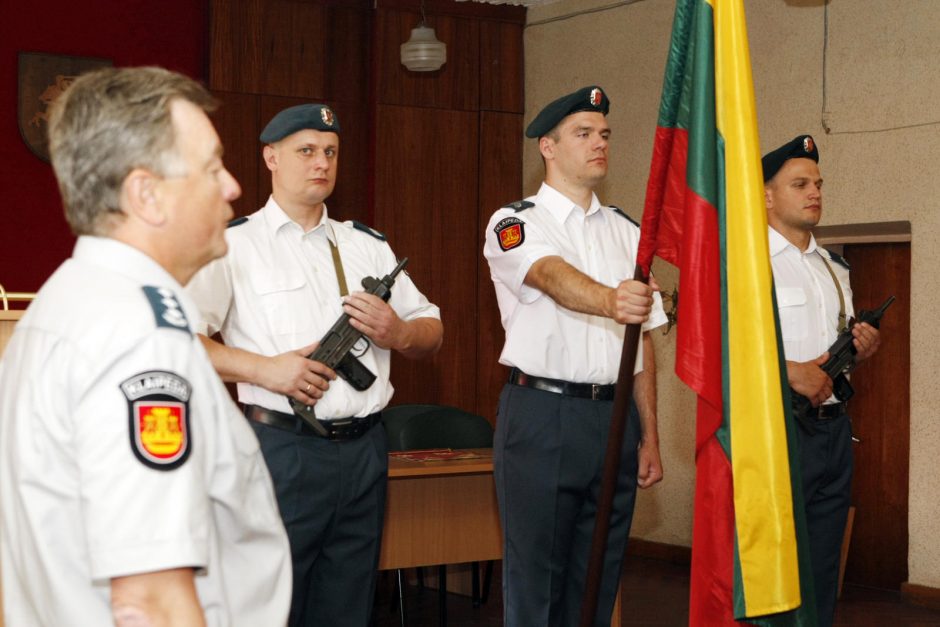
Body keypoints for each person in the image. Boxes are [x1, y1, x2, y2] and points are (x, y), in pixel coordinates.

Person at [0, 66, 292, 626]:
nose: (232, 185)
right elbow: (149, 599)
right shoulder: (138, 336)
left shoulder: (63, 304)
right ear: (147, 195)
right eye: (210, 168)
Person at [186, 103, 443, 627]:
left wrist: (400, 332)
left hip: (366, 449)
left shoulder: (367, 245)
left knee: (348, 605)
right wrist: (265, 370)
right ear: (270, 157)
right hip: (283, 449)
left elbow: (432, 329)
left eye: (330, 152)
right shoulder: (234, 245)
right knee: (271, 604)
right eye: (306, 151)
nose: (321, 162)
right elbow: (179, 341)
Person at [483, 85, 668, 627]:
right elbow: (551, 278)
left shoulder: (628, 232)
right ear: (548, 145)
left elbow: (644, 344)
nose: (599, 144)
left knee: (597, 578)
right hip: (543, 415)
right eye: (583, 134)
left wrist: (649, 433)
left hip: (614, 417)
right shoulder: (515, 222)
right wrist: (611, 298)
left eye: (605, 135)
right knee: (537, 579)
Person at [762, 135, 881, 627]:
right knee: (771, 564)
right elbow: (724, 350)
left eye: (818, 183)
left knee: (822, 564)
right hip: (777, 430)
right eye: (799, 183)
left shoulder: (835, 267)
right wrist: (790, 372)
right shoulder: (749, 264)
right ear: (767, 195)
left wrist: (862, 349)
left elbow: (838, 347)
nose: (814, 192)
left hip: (832, 431)